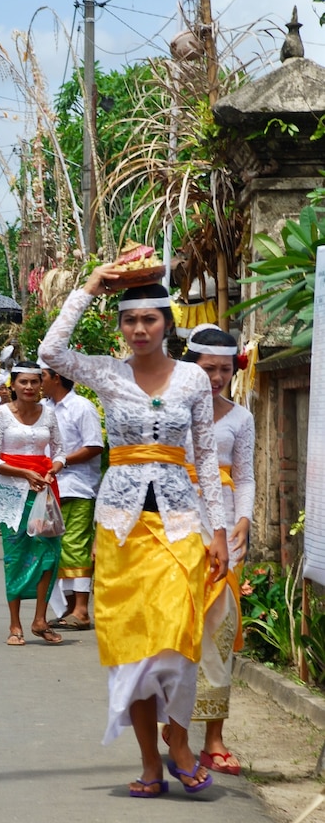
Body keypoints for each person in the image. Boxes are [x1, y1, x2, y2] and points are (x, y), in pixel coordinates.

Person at [38, 269, 228, 797]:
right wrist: (91, 287)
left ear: (168, 323)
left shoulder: (192, 379)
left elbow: (206, 458)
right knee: (133, 646)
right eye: (130, 321)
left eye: (149, 319)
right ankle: (149, 763)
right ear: (121, 326)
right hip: (121, 526)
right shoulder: (105, 372)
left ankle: (179, 741)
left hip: (180, 522)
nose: (139, 329)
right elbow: (51, 351)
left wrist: (217, 530)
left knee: (179, 637)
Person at [182, 323, 255, 776]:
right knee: (176, 631)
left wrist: (243, 520)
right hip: (175, 526)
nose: (216, 378)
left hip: (224, 530)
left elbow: (244, 476)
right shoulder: (170, 412)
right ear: (190, 366)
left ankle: (213, 739)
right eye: (208, 368)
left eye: (225, 370)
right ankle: (172, 729)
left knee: (220, 634)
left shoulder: (241, 418)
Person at [0, 361, 66, 646]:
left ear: (41, 384)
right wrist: (24, 473)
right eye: (23, 382)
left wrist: (53, 470)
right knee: (16, 557)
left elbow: (60, 452)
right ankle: (15, 624)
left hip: (43, 492)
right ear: (13, 385)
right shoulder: (0, 414)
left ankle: (40, 619)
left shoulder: (49, 414)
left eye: (34, 382)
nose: (29, 387)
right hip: (11, 495)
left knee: (49, 554)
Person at [39, 363, 103, 629]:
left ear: (56, 377)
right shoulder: (45, 408)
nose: (38, 381)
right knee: (58, 548)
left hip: (78, 487)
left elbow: (94, 446)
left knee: (76, 546)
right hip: (50, 486)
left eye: (42, 376)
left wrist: (62, 461)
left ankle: (82, 609)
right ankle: (68, 607)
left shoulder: (82, 407)